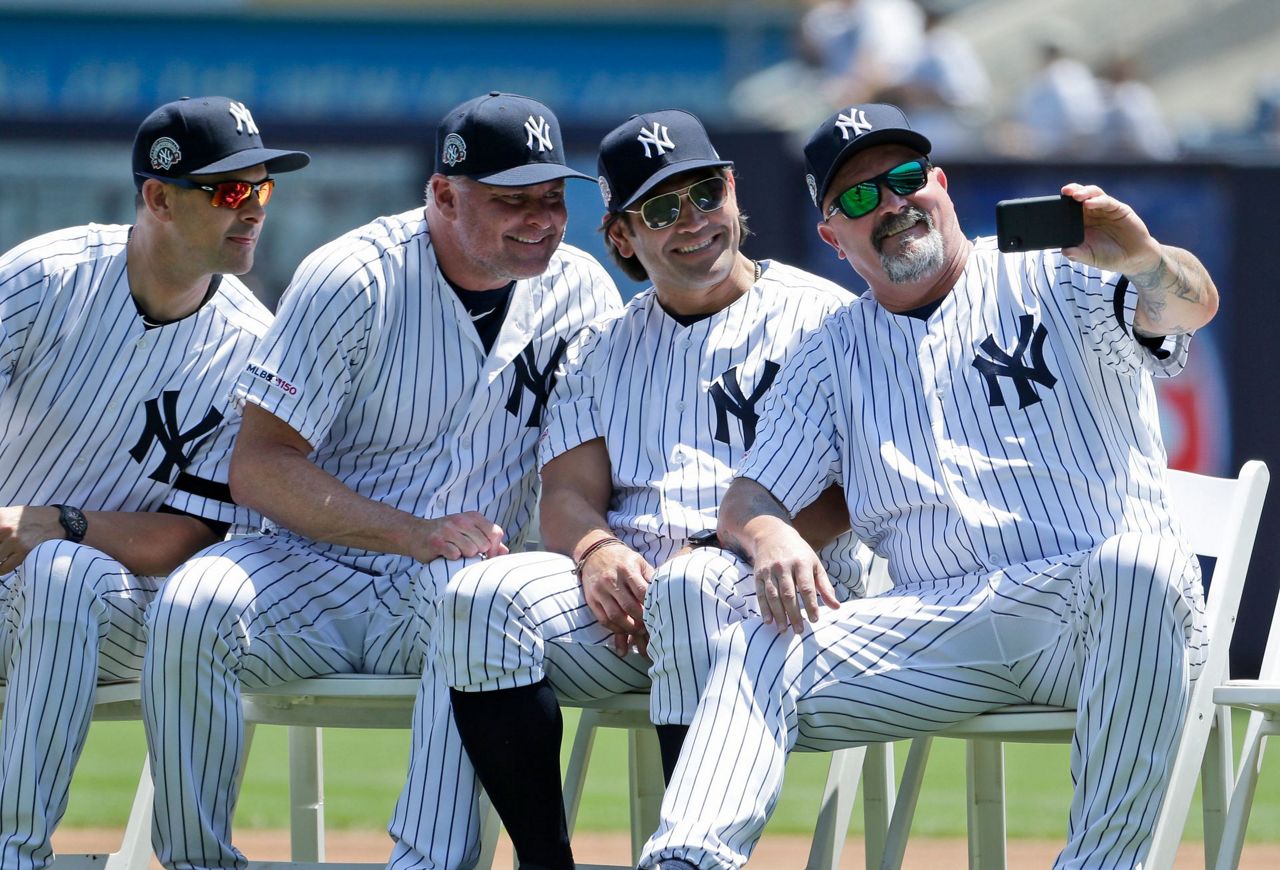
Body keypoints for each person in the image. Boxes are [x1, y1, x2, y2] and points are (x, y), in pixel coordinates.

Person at [640, 102, 1219, 869]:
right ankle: (685, 859)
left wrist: (1141, 258)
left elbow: (1191, 304)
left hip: (1091, 613)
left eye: (904, 177)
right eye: (856, 198)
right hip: (934, 624)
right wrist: (771, 531)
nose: (888, 203)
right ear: (833, 239)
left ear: (939, 183)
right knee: (752, 643)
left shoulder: (1055, 271)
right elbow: (748, 500)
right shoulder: (833, 346)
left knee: (1140, 565)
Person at [141, 92, 620, 870]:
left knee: (478, 608)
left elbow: (577, 469)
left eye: (551, 197)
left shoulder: (583, 289)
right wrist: (407, 532)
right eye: (510, 201)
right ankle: (198, 863)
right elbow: (258, 467)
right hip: (309, 573)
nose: (539, 219)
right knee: (192, 606)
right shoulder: (353, 277)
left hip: (455, 584)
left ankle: (426, 865)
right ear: (442, 195)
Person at [441, 109, 865, 869]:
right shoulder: (606, 345)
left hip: (791, 591)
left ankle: (690, 859)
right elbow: (566, 494)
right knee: (482, 599)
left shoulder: (824, 318)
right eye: (662, 209)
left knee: (694, 584)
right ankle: (545, 861)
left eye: (704, 193)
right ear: (621, 238)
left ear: (734, 191)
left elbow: (855, 489)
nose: (693, 221)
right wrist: (597, 551)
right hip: (632, 599)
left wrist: (711, 554)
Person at [0, 95, 308, 869]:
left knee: (64, 573)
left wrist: (53, 523)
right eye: (230, 190)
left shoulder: (251, 349)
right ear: (159, 197)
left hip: (115, 602)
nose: (252, 211)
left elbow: (187, 537)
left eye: (262, 189)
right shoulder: (45, 279)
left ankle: (15, 853)